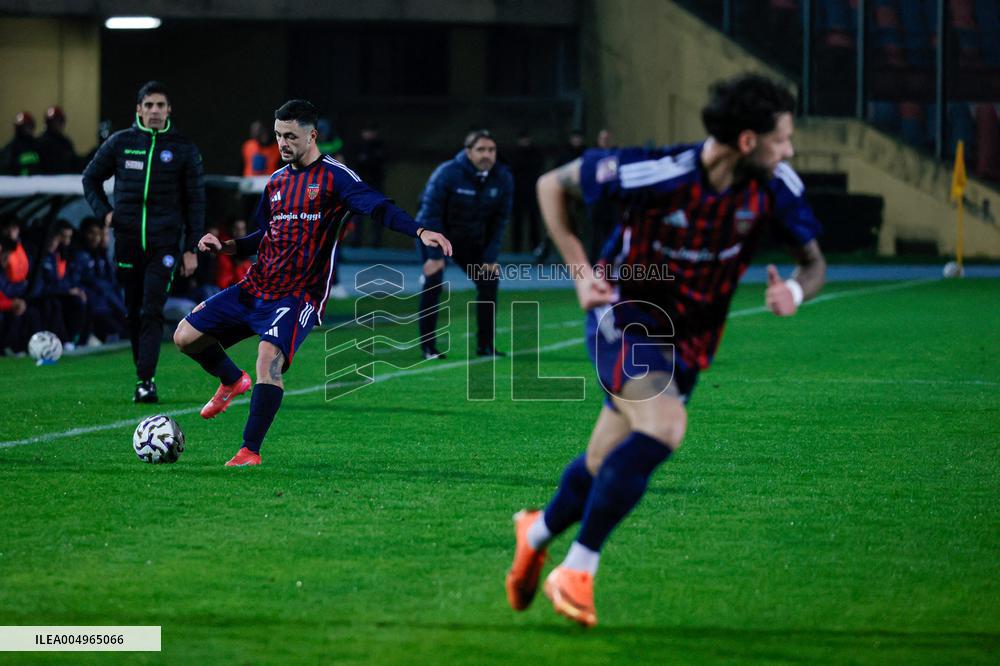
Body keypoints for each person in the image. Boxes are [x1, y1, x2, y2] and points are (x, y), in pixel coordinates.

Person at [505, 73, 827, 628]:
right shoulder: (656, 172)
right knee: (663, 427)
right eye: (782, 139)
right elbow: (550, 186)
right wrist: (581, 273)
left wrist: (793, 290)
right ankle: (577, 569)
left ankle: (534, 533)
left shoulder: (778, 187)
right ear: (748, 141)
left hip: (691, 342)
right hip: (624, 317)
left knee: (606, 461)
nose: (790, 150)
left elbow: (814, 262)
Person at [172, 99, 452, 467]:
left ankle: (249, 450)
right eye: (278, 136)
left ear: (312, 135)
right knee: (184, 337)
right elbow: (263, 235)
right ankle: (230, 380)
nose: (282, 143)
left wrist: (418, 230)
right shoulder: (275, 182)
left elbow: (378, 206)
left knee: (268, 359)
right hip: (256, 287)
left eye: (290, 136)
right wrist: (223, 246)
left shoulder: (336, 177)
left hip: (298, 295)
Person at [82, 80, 205, 403]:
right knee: (133, 311)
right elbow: (90, 178)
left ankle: (145, 380)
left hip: (165, 246)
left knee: (151, 309)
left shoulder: (182, 148)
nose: (154, 111)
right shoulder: (121, 143)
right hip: (126, 242)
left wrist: (191, 248)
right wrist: (104, 214)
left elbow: (196, 201)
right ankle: (142, 372)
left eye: (160, 106)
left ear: (168, 110)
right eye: (148, 105)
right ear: (138, 109)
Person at [415, 129, 513, 359]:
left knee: (489, 279)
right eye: (481, 150)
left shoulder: (503, 177)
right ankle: (428, 348)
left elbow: (500, 222)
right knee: (433, 280)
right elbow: (430, 214)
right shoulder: (447, 173)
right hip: (436, 234)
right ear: (468, 152)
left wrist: (490, 257)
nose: (487, 155)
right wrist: (434, 256)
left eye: (491, 150)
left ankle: (485, 346)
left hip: (469, 239)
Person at [349, 122, 387, 247]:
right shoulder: (359, 146)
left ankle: (376, 242)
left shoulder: (380, 146)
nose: (369, 134)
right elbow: (355, 163)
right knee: (357, 215)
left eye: (371, 131)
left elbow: (380, 163)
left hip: (376, 184)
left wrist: (367, 160)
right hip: (361, 185)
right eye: (366, 131)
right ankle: (355, 241)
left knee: (377, 214)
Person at [509, 130, 546, 253]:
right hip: (519, 193)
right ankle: (516, 249)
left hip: (531, 192)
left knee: (534, 222)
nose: (524, 142)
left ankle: (535, 248)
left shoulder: (535, 154)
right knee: (517, 222)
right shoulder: (515, 154)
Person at [38, 106, 79, 174]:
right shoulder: (40, 143)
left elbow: (74, 163)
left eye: (61, 121)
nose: (59, 124)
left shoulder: (66, 142)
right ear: (49, 123)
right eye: (55, 121)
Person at [1, 112, 42, 176]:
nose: (27, 129)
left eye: (29, 126)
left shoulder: (39, 145)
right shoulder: (11, 148)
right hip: (19, 183)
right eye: (24, 127)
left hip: (38, 182)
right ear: (18, 128)